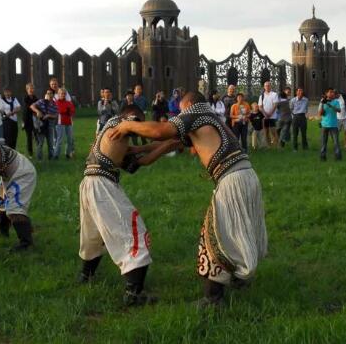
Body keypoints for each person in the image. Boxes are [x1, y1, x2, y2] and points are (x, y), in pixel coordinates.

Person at [108, 93, 268, 307]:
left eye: (181, 109)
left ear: (190, 105)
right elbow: (171, 143)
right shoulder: (208, 118)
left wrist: (128, 126)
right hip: (245, 176)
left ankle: (213, 299)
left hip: (232, 180)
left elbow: (160, 131)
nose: (180, 114)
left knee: (214, 238)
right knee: (238, 231)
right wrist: (139, 150)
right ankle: (238, 279)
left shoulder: (196, 112)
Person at [78, 104, 181, 306]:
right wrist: (167, 135)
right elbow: (154, 132)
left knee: (93, 235)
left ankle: (85, 276)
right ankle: (133, 295)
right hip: (102, 185)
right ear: (134, 116)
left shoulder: (112, 134)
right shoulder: (124, 122)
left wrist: (167, 146)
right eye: (140, 120)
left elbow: (137, 164)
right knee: (134, 235)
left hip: (90, 182)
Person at [30, 88, 58, 160]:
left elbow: (56, 115)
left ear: (53, 95)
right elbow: (32, 106)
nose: (49, 95)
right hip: (41, 125)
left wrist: (48, 115)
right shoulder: (41, 101)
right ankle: (39, 159)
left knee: (50, 143)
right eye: (47, 93)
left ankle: (51, 158)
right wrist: (37, 111)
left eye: (50, 93)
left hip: (50, 124)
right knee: (40, 143)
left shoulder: (55, 104)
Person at [318, 88, 342, 161]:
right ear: (326, 94)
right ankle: (323, 157)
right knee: (323, 143)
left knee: (336, 143)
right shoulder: (322, 102)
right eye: (330, 92)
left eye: (333, 92)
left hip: (334, 125)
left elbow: (339, 110)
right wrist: (322, 103)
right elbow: (320, 113)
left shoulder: (336, 101)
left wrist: (329, 105)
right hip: (324, 125)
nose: (332, 94)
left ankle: (338, 157)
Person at [54, 88, 75, 159]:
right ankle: (56, 155)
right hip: (60, 123)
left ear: (65, 94)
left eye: (64, 93)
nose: (62, 95)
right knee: (59, 139)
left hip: (69, 122)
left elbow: (72, 111)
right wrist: (66, 110)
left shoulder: (69, 102)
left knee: (69, 139)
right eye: (61, 93)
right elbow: (60, 110)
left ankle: (67, 153)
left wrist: (68, 111)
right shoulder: (56, 102)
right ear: (58, 94)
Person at [258, 80, 279, 148]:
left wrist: (270, 114)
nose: (267, 87)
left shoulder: (274, 94)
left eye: (268, 85)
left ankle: (277, 145)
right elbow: (260, 107)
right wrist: (265, 114)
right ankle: (269, 146)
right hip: (265, 117)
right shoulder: (261, 96)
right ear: (264, 87)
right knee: (266, 132)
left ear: (270, 86)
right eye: (266, 86)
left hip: (272, 116)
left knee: (273, 131)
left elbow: (275, 105)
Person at [22, 83, 39, 158]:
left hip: (35, 119)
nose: (32, 90)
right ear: (27, 90)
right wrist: (35, 110)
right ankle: (30, 153)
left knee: (37, 136)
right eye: (30, 89)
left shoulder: (35, 98)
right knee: (29, 137)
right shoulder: (25, 98)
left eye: (33, 88)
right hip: (27, 120)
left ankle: (39, 151)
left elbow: (38, 106)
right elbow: (28, 107)